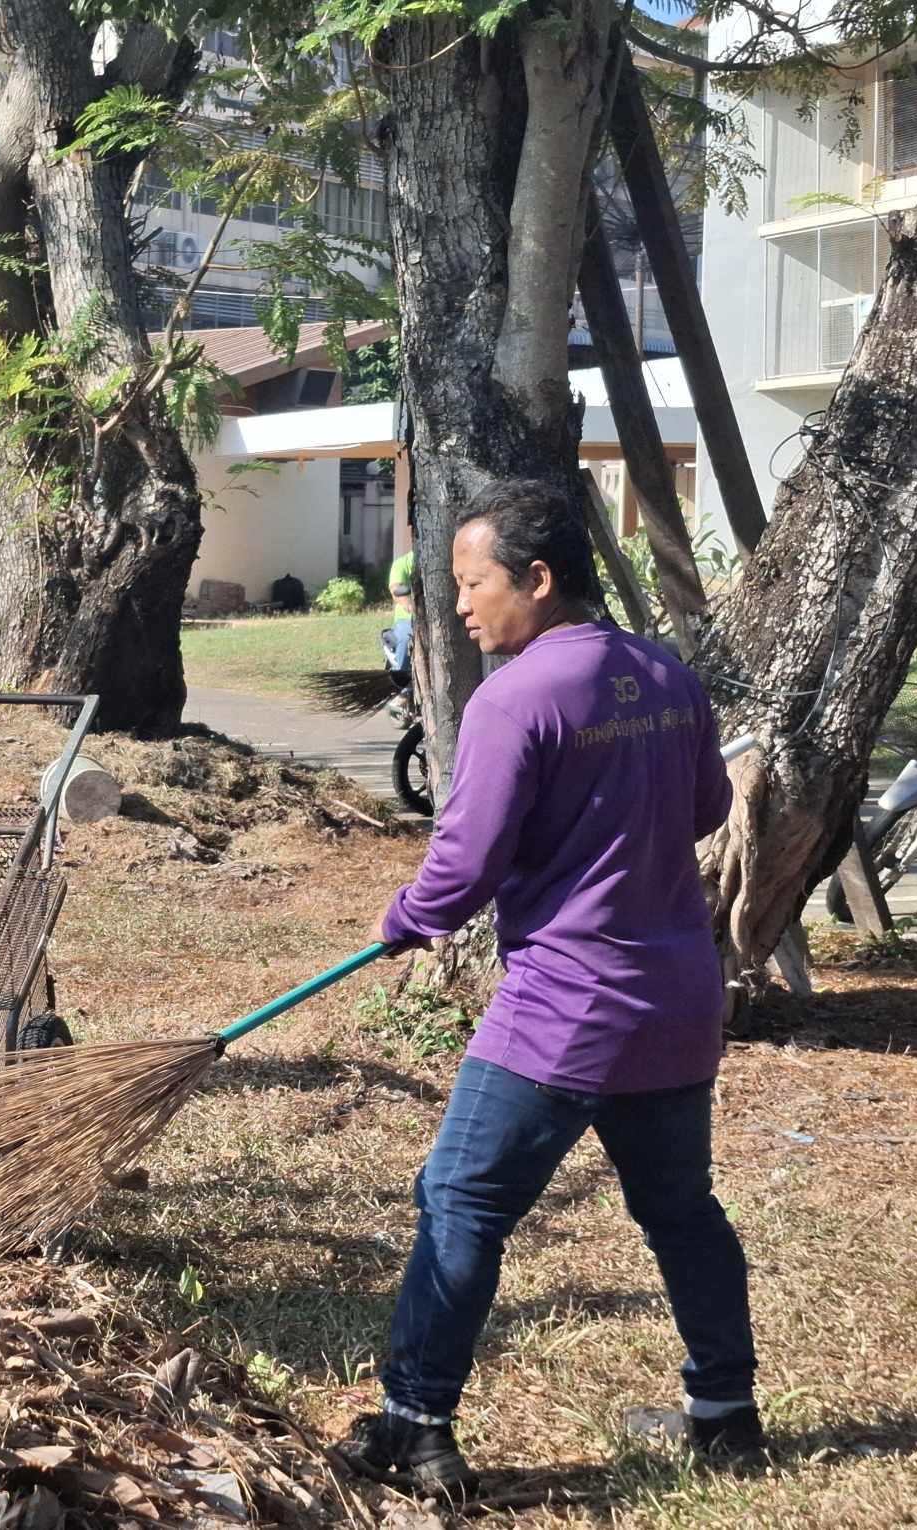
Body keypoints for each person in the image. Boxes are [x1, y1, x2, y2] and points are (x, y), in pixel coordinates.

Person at [339, 480, 759, 1500]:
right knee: (681, 1211)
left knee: (462, 1203)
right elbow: (707, 808)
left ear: (538, 577)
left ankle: (414, 1425)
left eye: (474, 583)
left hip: (564, 1010)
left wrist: (405, 917)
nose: (462, 607)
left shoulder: (515, 696)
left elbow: (464, 863)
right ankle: (726, 1417)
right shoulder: (663, 673)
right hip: (675, 1005)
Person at [387, 545, 416, 673]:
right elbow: (395, 588)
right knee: (405, 639)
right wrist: (409, 605)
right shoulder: (401, 564)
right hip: (407, 618)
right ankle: (400, 684)